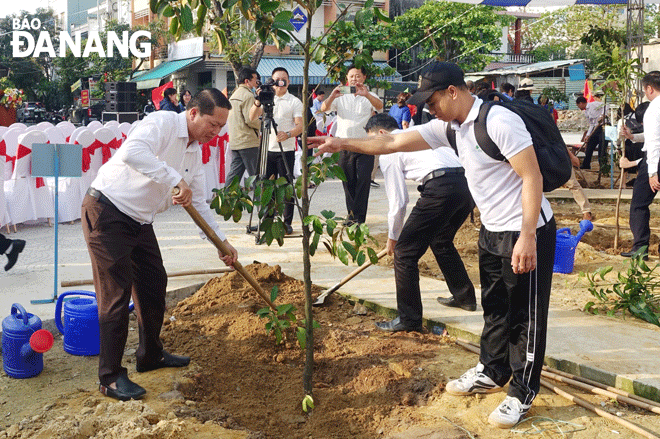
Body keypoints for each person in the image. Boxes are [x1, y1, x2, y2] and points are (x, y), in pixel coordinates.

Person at [309, 61, 555, 429]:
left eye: (433, 101)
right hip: (491, 229)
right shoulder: (450, 127)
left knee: (525, 316)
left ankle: (522, 392)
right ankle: (491, 369)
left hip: (525, 228)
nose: (429, 109)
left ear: (453, 92)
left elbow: (531, 176)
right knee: (495, 307)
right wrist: (342, 142)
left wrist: (528, 236)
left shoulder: (499, 121)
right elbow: (391, 141)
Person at [82, 88, 238, 402]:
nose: (216, 132)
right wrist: (172, 179)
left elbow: (201, 204)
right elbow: (132, 153)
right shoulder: (162, 123)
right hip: (108, 211)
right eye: (213, 124)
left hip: (140, 221)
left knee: (154, 283)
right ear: (193, 113)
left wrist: (220, 242)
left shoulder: (194, 152)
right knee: (116, 294)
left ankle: (150, 355)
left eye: (222, 127)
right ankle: (109, 377)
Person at [368, 113, 476, 335]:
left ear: (381, 133)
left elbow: (398, 202)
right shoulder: (416, 135)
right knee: (441, 240)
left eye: (370, 140)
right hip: (465, 185)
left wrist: (393, 238)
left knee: (405, 253)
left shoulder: (391, 149)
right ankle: (464, 297)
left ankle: (409, 319)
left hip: (441, 187)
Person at [321, 64, 383, 224]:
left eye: (357, 76)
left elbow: (379, 106)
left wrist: (366, 94)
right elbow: (323, 108)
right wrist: (332, 96)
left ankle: (359, 219)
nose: (354, 79)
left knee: (363, 181)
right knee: (348, 182)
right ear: (346, 79)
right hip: (344, 146)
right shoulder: (340, 95)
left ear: (364, 78)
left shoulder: (370, 94)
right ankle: (351, 216)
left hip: (365, 145)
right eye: (351, 76)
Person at [251, 67, 303, 235]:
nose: (280, 82)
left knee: (286, 187)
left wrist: (288, 134)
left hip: (285, 150)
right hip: (267, 149)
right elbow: (252, 116)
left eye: (283, 79)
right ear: (271, 82)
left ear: (288, 81)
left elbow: (300, 126)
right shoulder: (266, 98)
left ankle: (286, 222)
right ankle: (266, 220)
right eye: (276, 80)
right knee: (266, 185)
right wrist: (258, 100)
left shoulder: (294, 101)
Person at [620, 71, 660, 259]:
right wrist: (633, 137)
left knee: (639, 205)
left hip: (655, 161)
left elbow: (654, 142)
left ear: (650, 88)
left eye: (645, 90)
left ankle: (640, 248)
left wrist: (652, 172)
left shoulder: (653, 109)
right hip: (654, 158)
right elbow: (653, 135)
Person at [226, 67, 262, 187]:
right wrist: (260, 126)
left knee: (234, 175)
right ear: (247, 81)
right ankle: (261, 203)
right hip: (248, 141)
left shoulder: (234, 94)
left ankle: (225, 199)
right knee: (256, 176)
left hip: (236, 140)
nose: (256, 82)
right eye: (255, 79)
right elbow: (250, 119)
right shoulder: (248, 96)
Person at [577, 92, 607, 170]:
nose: (578, 107)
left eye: (578, 105)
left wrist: (602, 116)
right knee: (589, 145)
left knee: (602, 148)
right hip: (595, 129)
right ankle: (586, 164)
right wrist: (587, 135)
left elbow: (606, 106)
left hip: (603, 127)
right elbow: (591, 124)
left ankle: (603, 167)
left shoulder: (594, 104)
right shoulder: (586, 112)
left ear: (581, 103)